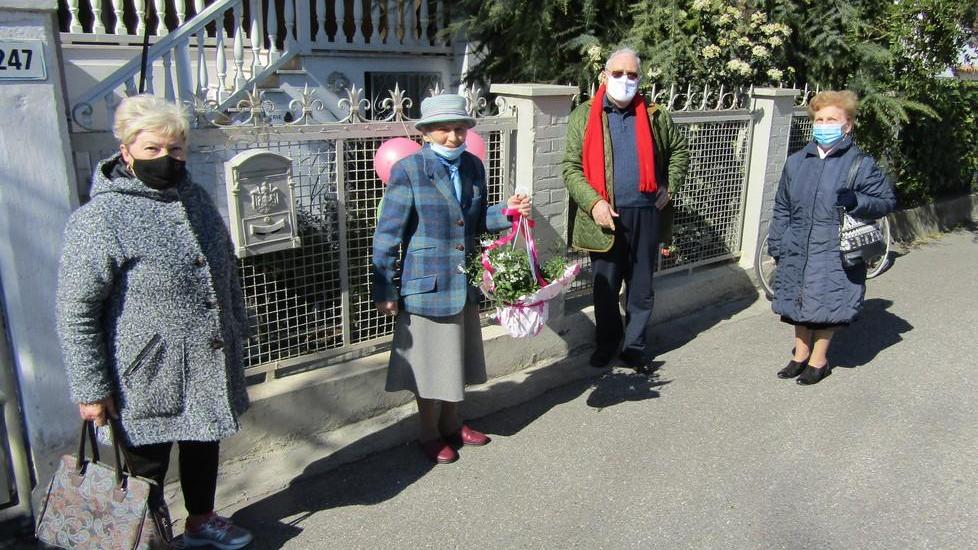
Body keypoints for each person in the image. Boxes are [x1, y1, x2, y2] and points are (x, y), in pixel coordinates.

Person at [56, 95, 254, 548]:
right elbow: (76, 308)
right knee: (145, 471)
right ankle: (146, 539)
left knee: (205, 445)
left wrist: (237, 324)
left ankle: (201, 520)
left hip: (207, 357)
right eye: (153, 150)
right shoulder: (101, 218)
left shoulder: (197, 199)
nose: (167, 160)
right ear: (126, 151)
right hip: (145, 373)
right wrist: (90, 389)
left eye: (176, 150)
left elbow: (223, 267)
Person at [373, 94, 531, 464]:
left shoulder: (474, 166)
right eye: (444, 129)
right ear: (426, 132)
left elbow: (473, 223)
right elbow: (388, 233)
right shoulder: (409, 170)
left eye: (459, 128)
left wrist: (506, 212)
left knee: (456, 359)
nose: (453, 136)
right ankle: (429, 432)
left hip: (463, 281)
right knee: (429, 363)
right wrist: (384, 286)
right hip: (426, 284)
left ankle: (453, 422)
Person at [561, 47, 690, 369]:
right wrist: (594, 204)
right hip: (604, 216)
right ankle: (606, 343)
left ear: (640, 78)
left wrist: (669, 186)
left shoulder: (655, 114)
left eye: (632, 74)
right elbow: (570, 167)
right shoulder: (584, 114)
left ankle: (634, 346)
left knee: (641, 286)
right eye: (618, 73)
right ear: (604, 76)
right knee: (605, 288)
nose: (625, 80)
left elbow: (679, 152)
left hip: (646, 212)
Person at [768, 90, 896, 385]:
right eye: (820, 119)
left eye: (832, 119)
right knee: (797, 301)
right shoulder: (797, 162)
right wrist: (778, 242)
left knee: (828, 302)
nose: (824, 124)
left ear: (847, 124)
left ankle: (819, 359)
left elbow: (886, 200)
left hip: (835, 248)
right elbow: (782, 206)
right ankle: (800, 355)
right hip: (798, 243)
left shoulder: (859, 163)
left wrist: (857, 200)